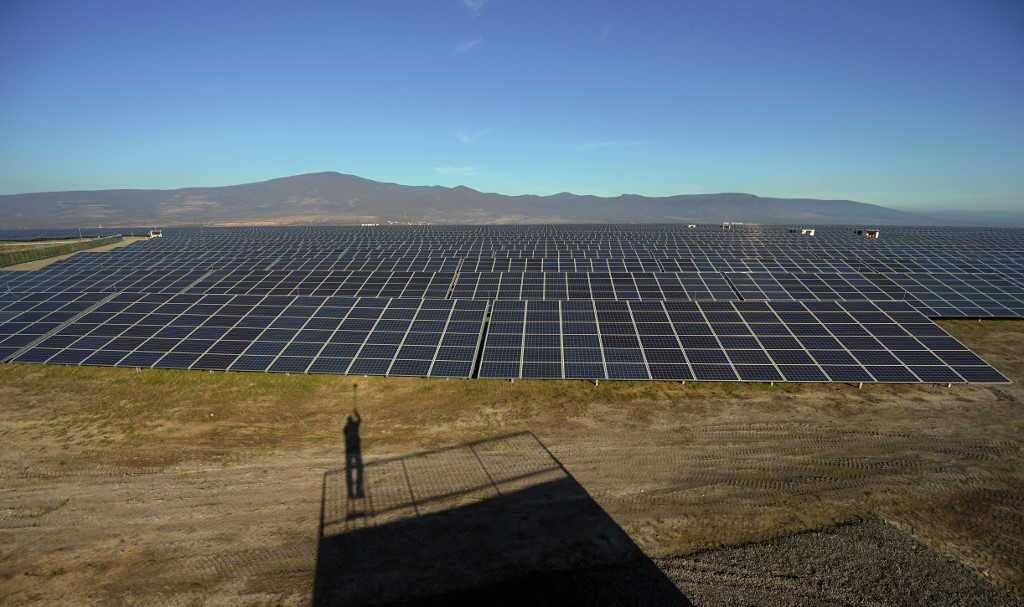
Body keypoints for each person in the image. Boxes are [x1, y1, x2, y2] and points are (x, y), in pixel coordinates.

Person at [344, 409, 364, 498]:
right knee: (358, 466)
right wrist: (357, 414)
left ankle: (351, 494)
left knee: (350, 468)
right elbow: (359, 420)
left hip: (349, 447)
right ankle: (358, 491)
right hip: (355, 446)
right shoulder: (354, 426)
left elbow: (359, 421)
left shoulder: (346, 428)